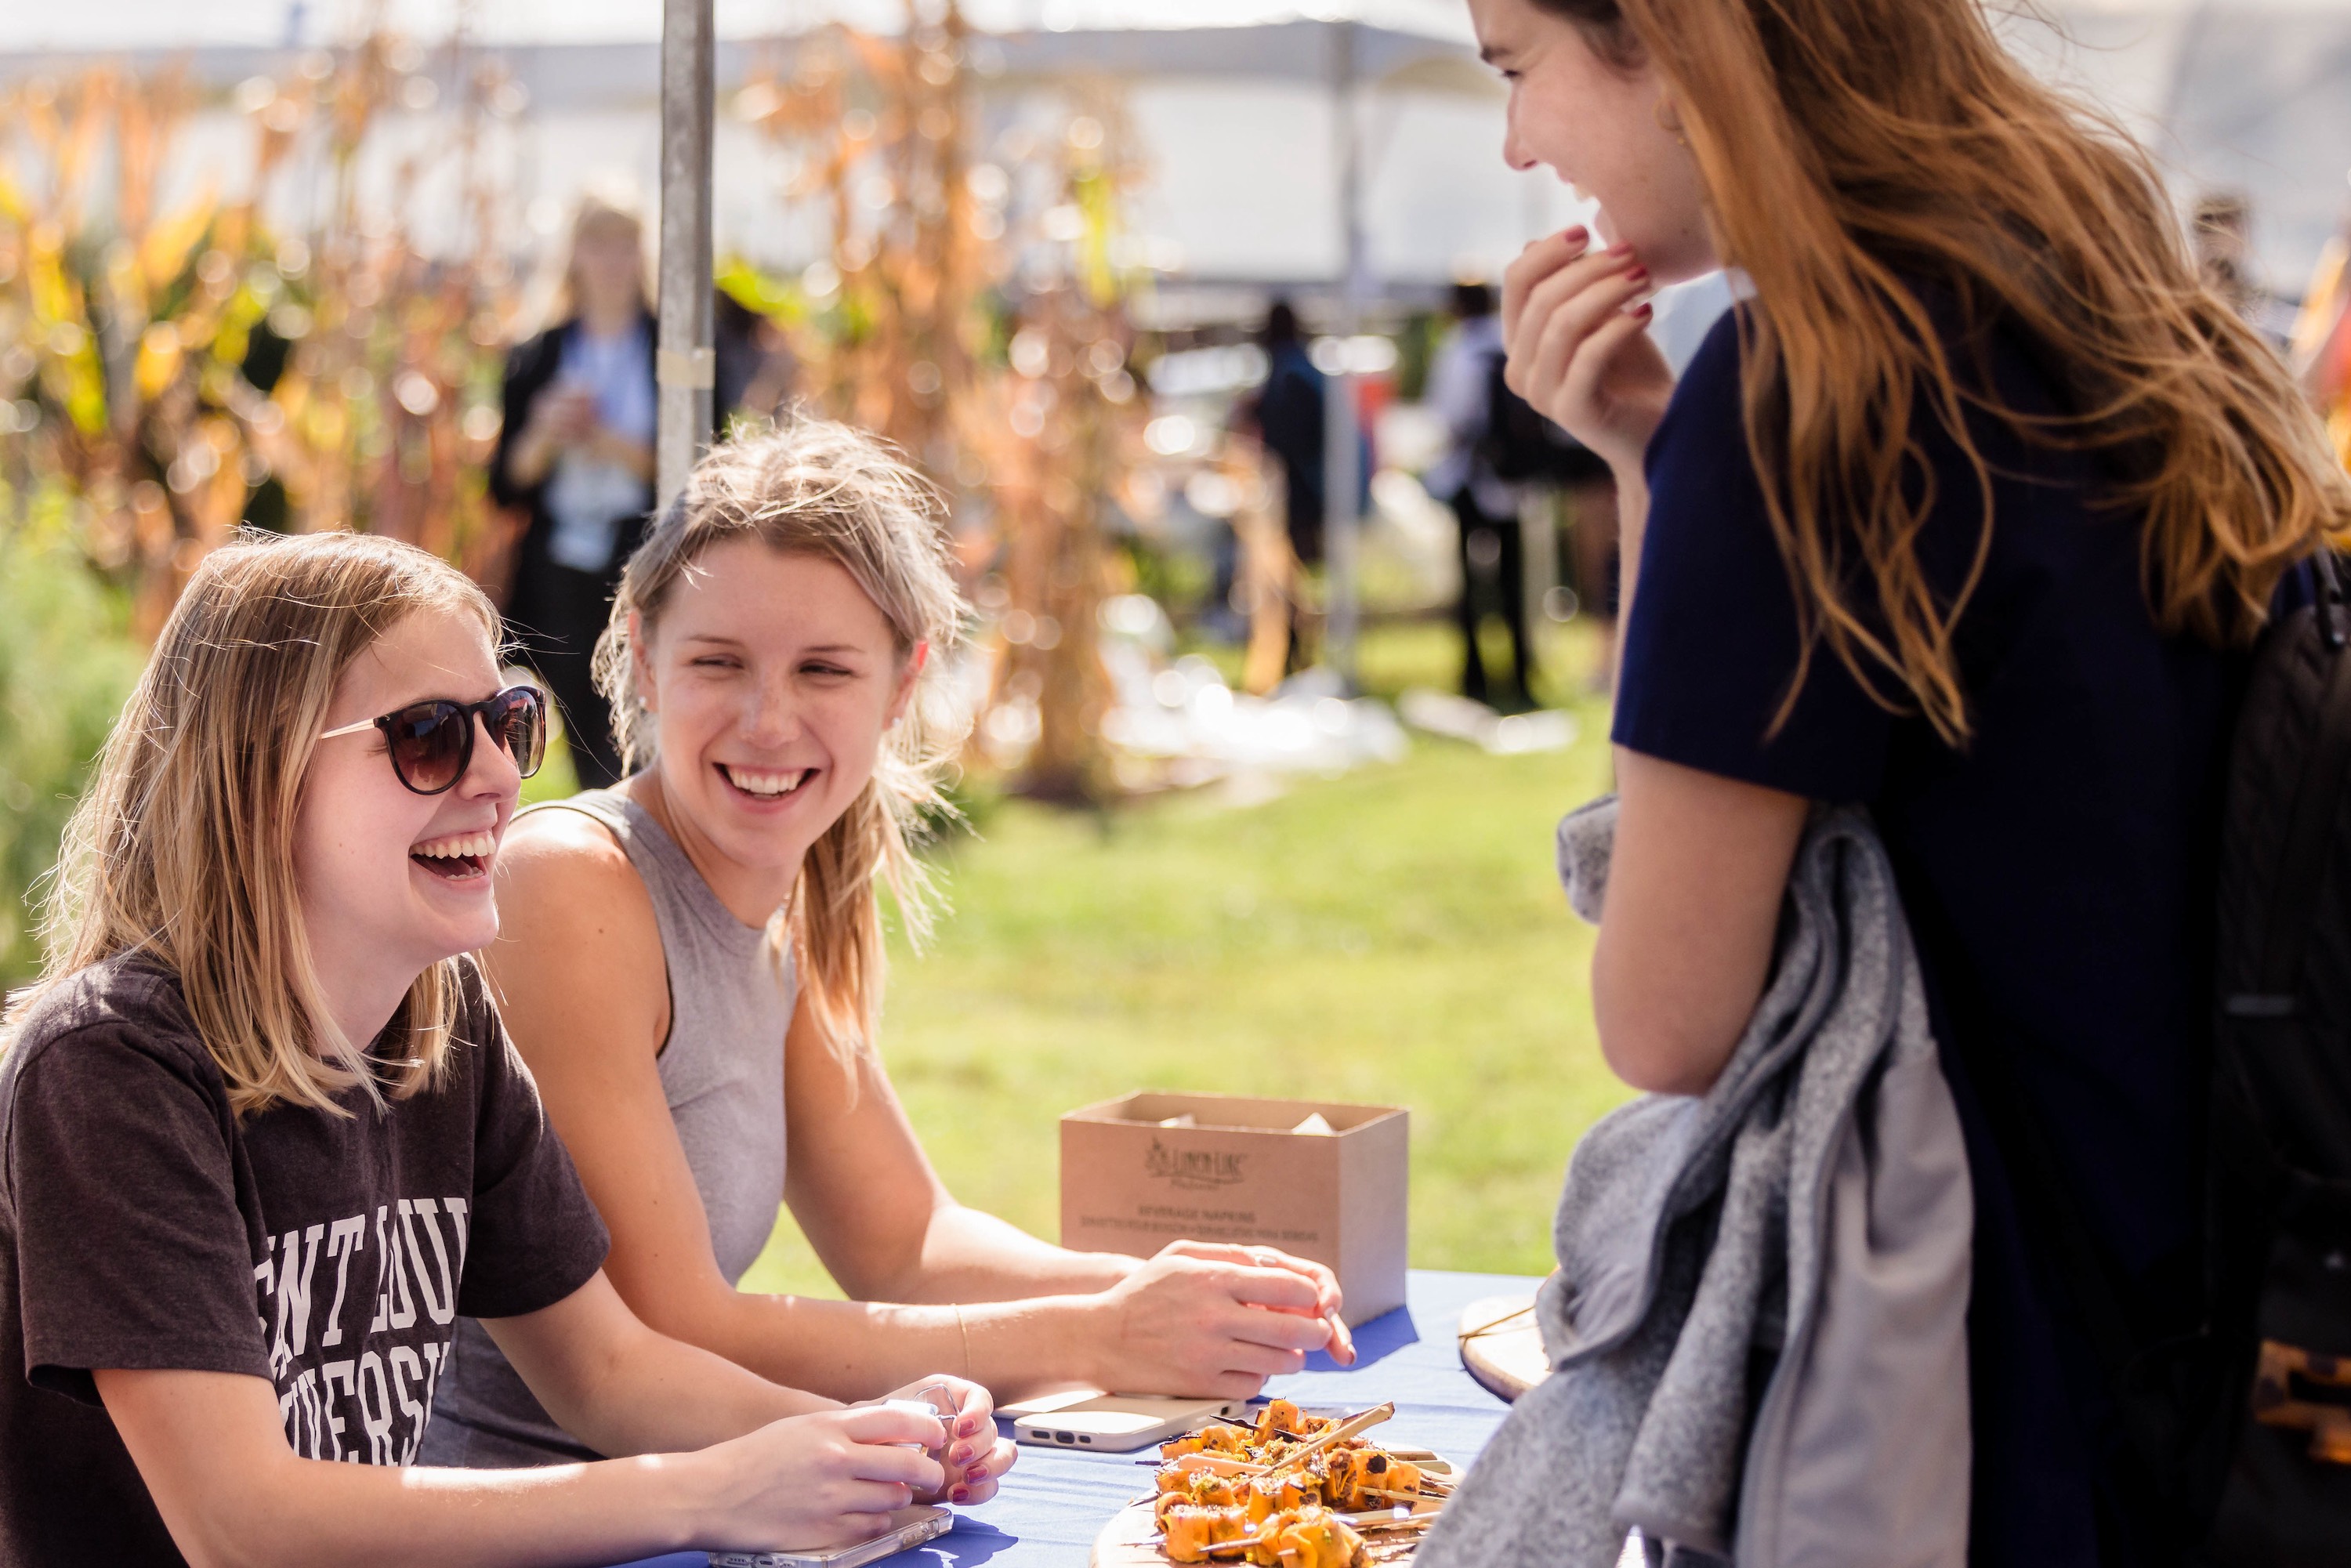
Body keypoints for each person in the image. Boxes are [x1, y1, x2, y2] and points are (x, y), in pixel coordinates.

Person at [1465, 0, 2351, 1563]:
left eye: (1518, 66)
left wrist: (1668, 474)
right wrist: (1645, 461)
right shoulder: (2124, 313)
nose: (1520, 141)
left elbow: (1666, 1016)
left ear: (1674, 41)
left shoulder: (1805, 384)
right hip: (2210, 1326)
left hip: (1974, 1399)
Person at [0, 531, 1014, 1565]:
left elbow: (612, 1375)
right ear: (260, 772)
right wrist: (710, 1492)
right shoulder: (109, 1071)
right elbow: (243, 1525)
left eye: (508, 722)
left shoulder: (446, 1028)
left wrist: (856, 1434)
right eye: (429, 736)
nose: (495, 776)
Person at [423, 419, 1355, 1469]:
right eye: (719, 662)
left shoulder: (804, 890)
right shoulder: (566, 887)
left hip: (725, 1504)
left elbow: (904, 1243)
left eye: (823, 669)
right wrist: (1101, 1331)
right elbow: (676, 1326)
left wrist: (1164, 1287)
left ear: (904, 683)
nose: (767, 722)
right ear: (642, 655)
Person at [494, 193, 659, 789]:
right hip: (560, 562)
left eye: (625, 243)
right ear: (573, 256)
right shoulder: (538, 353)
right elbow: (505, 482)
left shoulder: (674, 348)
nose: (612, 259)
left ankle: (643, 829)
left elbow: (701, 464)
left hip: (641, 557)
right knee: (584, 726)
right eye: (598, 243)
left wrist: (608, 439)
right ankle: (600, 838)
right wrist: (545, 433)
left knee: (642, 713)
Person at [1425, 281, 1538, 710]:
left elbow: (1447, 416)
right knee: (1515, 584)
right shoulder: (1510, 342)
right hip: (1512, 483)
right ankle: (1521, 675)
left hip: (1470, 479)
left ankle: (1475, 677)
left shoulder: (1458, 348)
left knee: (1472, 586)